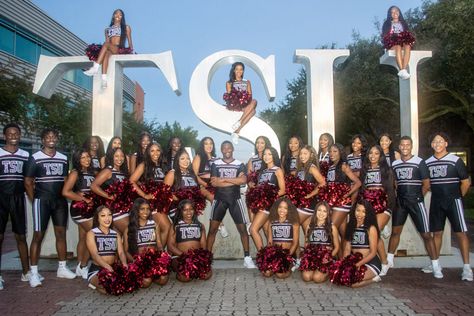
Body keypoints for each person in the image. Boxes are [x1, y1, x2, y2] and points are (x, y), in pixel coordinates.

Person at [25, 127, 76, 287]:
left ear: (57, 139)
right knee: (38, 235)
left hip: (59, 201)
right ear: (43, 140)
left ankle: (62, 267)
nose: (51, 139)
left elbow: (66, 179)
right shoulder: (35, 158)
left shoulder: (62, 157)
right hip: (42, 200)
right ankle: (33, 273)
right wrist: (36, 200)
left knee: (61, 234)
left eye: (54, 136)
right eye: (48, 137)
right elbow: (27, 181)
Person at [384, 136, 441, 278]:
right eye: (402, 145)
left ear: (411, 146)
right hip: (401, 203)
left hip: (415, 201)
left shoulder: (419, 162)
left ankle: (435, 264)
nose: (404, 147)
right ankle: (389, 261)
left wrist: (418, 198)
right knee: (395, 232)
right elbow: (395, 182)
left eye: (407, 145)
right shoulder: (395, 163)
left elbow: (426, 183)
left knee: (426, 234)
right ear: (399, 146)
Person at [425, 132, 472, 281]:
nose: (437, 144)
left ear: (446, 143)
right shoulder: (428, 162)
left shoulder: (455, 160)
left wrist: (458, 196)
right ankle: (435, 263)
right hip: (437, 202)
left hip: (453, 201)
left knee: (460, 233)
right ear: (431, 144)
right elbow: (427, 183)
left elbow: (466, 182)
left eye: (440, 141)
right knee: (436, 233)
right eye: (434, 141)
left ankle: (466, 268)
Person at [207, 141, 253, 268]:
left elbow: (243, 181)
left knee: (243, 229)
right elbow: (215, 183)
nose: (226, 150)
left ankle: (247, 258)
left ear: (232, 149)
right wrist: (235, 180)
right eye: (223, 148)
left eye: (228, 147)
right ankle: (207, 258)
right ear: (221, 150)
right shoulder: (216, 164)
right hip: (219, 199)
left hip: (235, 200)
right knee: (212, 230)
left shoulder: (240, 164)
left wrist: (224, 179)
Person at [0, 123, 30, 290]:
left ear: (19, 135)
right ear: (5, 135)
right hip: (1, 198)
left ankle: (26, 272)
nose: (13, 136)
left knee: (21, 236)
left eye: (16, 133)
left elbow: (28, 178)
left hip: (18, 198)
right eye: (10, 133)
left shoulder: (25, 155)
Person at [359, 145, 396, 275]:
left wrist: (388, 206)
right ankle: (383, 261)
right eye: (370, 153)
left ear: (380, 156)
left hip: (383, 206)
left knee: (373, 229)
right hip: (369, 207)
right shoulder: (365, 170)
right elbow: (362, 190)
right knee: (373, 233)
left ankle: (385, 263)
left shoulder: (387, 170)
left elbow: (390, 191)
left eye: (376, 153)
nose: (373, 156)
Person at [62, 149, 96, 279]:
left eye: (88, 157)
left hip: (90, 209)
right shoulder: (75, 173)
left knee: (83, 238)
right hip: (80, 209)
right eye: (83, 158)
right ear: (77, 160)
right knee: (94, 235)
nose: (87, 159)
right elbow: (65, 192)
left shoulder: (91, 172)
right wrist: (83, 199)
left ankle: (80, 267)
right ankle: (85, 266)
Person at [130, 142, 170, 246]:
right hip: (152, 203)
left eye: (158, 150)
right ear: (148, 152)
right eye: (152, 150)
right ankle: (159, 255)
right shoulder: (144, 165)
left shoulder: (164, 165)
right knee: (167, 227)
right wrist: (144, 195)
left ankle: (155, 255)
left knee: (158, 229)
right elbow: (131, 181)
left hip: (163, 202)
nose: (155, 153)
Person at [123, 198, 168, 287]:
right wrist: (135, 262)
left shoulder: (154, 224)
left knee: (163, 280)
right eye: (142, 209)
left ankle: (151, 275)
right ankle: (146, 277)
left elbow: (159, 243)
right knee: (146, 282)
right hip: (138, 261)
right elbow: (126, 250)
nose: (146, 212)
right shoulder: (129, 228)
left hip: (153, 260)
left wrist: (162, 257)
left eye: (148, 209)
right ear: (136, 210)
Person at [84, 9, 133, 87]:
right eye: (116, 14)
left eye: (120, 15)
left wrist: (131, 51)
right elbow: (107, 42)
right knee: (106, 54)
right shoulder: (107, 30)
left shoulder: (126, 27)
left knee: (106, 45)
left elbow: (130, 40)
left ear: (122, 17)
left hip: (119, 49)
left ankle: (95, 68)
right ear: (113, 15)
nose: (118, 16)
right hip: (110, 48)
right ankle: (104, 80)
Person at [249, 147, 285, 251]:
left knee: (253, 229)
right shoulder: (262, 172)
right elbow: (260, 189)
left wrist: (269, 198)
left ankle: (263, 255)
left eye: (269, 154)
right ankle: (271, 255)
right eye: (265, 154)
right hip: (261, 205)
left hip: (270, 205)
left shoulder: (277, 170)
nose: (266, 156)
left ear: (274, 156)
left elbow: (282, 190)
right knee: (267, 230)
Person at [323, 144, 361, 242]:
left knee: (330, 229)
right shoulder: (330, 166)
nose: (332, 154)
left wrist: (347, 194)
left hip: (342, 204)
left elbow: (358, 183)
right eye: (330, 151)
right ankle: (344, 256)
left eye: (335, 151)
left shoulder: (343, 165)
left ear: (340, 153)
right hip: (333, 202)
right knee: (342, 233)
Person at [167, 200, 212, 282]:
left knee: (206, 275)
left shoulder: (200, 225)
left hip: (195, 257)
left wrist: (201, 259)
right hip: (179, 257)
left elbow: (203, 245)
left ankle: (194, 270)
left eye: (191, 209)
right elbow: (170, 246)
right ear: (180, 211)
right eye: (185, 210)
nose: (189, 212)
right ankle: (178, 272)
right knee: (186, 278)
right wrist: (184, 256)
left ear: (195, 210)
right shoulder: (175, 226)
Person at [86, 206, 128, 294]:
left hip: (112, 268)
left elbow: (120, 252)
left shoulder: (115, 234)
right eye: (103, 215)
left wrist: (124, 263)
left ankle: (98, 287)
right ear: (97, 218)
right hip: (97, 270)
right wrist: (106, 266)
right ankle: (94, 282)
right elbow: (94, 255)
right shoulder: (92, 233)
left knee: (119, 287)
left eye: (109, 215)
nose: (107, 218)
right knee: (110, 286)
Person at [192, 137, 228, 237]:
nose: (209, 146)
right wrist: (205, 184)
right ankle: (221, 224)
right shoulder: (198, 157)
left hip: (215, 185)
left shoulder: (216, 159)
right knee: (213, 198)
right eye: (206, 143)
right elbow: (194, 175)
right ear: (202, 146)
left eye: (211, 143)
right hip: (202, 185)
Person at [90, 147, 129, 234]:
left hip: (124, 208)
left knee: (117, 238)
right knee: (130, 232)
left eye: (122, 156)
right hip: (114, 209)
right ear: (111, 157)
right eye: (116, 156)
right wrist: (109, 196)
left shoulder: (123, 172)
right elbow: (93, 186)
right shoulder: (108, 171)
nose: (120, 158)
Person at [344, 200, 382, 287]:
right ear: (354, 211)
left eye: (364, 211)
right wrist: (345, 264)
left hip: (371, 263)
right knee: (344, 278)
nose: (360, 214)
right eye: (358, 210)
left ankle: (374, 279)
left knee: (353, 283)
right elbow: (347, 249)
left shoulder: (371, 228)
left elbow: (373, 253)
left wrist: (358, 264)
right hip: (355, 262)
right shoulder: (351, 226)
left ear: (368, 213)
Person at [301, 201, 340, 283]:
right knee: (306, 277)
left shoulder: (332, 227)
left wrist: (329, 257)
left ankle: (330, 271)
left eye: (324, 211)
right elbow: (306, 244)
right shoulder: (309, 226)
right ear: (315, 212)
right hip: (312, 258)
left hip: (325, 258)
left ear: (328, 213)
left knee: (317, 278)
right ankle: (316, 270)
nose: (321, 213)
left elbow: (337, 247)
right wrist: (307, 257)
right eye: (319, 210)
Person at [261, 197, 299, 279]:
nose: (282, 210)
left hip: (288, 254)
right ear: (276, 208)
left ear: (289, 210)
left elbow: (295, 243)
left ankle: (291, 266)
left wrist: (288, 256)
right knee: (266, 273)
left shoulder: (294, 222)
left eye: (285, 208)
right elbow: (270, 242)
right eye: (280, 207)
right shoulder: (272, 222)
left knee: (280, 274)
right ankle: (275, 267)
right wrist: (269, 256)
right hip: (275, 254)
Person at [295, 145, 326, 233]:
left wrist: (310, 195)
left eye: (305, 153)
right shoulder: (301, 168)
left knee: (293, 226)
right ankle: (310, 247)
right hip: (301, 203)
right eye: (301, 153)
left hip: (308, 204)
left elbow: (323, 183)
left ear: (311, 155)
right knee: (308, 233)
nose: (302, 156)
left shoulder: (312, 168)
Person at [225, 62, 258, 144]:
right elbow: (230, 97)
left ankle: (237, 129)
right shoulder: (229, 83)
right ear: (234, 71)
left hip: (245, 104)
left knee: (254, 102)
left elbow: (250, 95)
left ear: (243, 71)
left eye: (241, 69)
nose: (239, 71)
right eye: (237, 69)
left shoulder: (247, 82)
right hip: (235, 105)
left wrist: (244, 99)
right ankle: (238, 127)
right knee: (253, 111)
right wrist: (238, 98)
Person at [163, 148, 200, 220]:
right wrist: (178, 200)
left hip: (191, 209)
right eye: (182, 159)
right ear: (177, 160)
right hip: (177, 209)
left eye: (188, 159)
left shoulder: (192, 174)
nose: (186, 161)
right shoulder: (172, 173)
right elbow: (164, 191)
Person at [382, 6, 415, 79]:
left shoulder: (403, 23)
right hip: (392, 42)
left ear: (399, 12)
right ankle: (402, 69)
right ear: (390, 14)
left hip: (402, 41)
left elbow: (407, 32)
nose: (395, 13)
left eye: (396, 11)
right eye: (392, 12)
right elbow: (384, 35)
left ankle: (403, 70)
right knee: (398, 46)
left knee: (408, 46)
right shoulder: (387, 23)